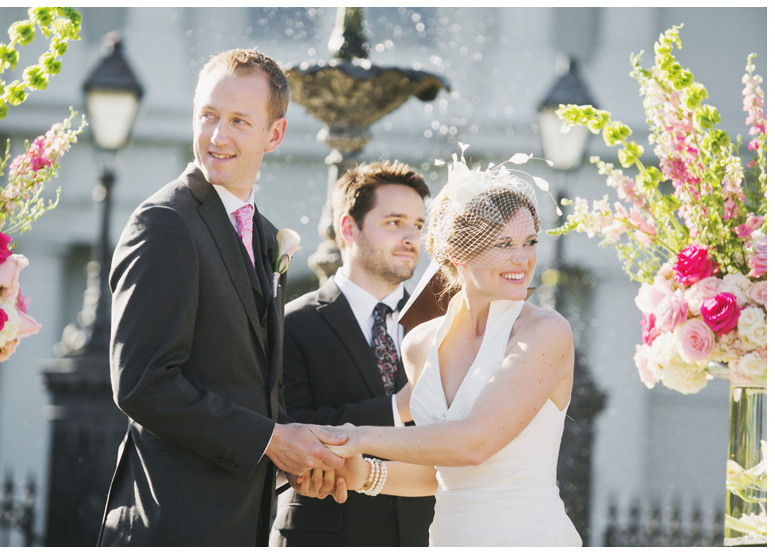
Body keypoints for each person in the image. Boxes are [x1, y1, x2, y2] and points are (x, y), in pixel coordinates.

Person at [97, 49, 345, 547]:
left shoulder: (265, 237)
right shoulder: (164, 222)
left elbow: (247, 390)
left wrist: (300, 456)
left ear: (273, 135)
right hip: (170, 525)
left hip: (240, 525)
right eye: (208, 116)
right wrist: (273, 441)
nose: (217, 136)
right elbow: (143, 384)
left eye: (238, 121)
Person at [301, 150, 583, 546]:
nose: (523, 259)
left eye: (530, 241)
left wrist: (356, 436)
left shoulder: (544, 331)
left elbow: (473, 443)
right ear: (456, 253)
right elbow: (440, 471)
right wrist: (361, 473)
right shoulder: (419, 344)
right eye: (503, 244)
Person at [270, 161, 436, 546]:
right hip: (324, 536)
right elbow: (291, 427)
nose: (411, 237)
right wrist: (398, 409)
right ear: (348, 228)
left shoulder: (441, 326)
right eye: (395, 222)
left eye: (418, 225)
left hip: (424, 536)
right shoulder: (291, 323)